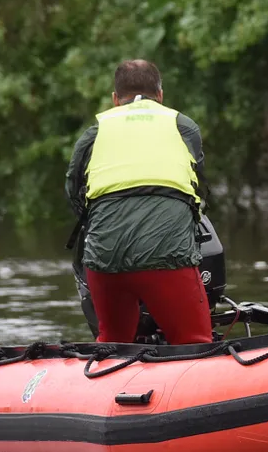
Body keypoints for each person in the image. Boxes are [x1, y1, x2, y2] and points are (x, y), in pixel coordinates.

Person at [65, 59, 212, 345]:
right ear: (160, 95)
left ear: (115, 99)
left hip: (104, 256)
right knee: (194, 342)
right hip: (168, 253)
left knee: (113, 341)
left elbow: (73, 192)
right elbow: (198, 186)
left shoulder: (95, 131)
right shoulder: (182, 125)